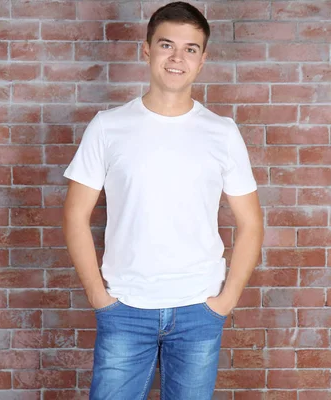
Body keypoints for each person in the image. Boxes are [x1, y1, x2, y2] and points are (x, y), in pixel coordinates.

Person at [63, 2, 264, 398]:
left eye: (190, 49)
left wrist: (224, 302)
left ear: (202, 60)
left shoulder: (221, 132)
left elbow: (251, 223)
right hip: (125, 310)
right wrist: (99, 298)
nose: (177, 58)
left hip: (198, 311)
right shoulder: (108, 126)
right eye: (166, 45)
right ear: (147, 50)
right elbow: (75, 216)